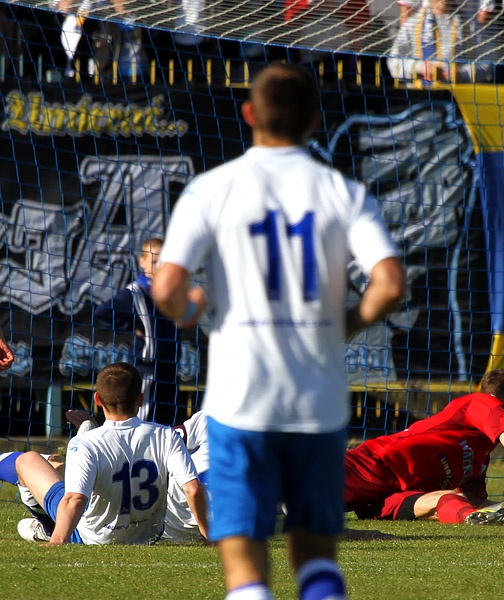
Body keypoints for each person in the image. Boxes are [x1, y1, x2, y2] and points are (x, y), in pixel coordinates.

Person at [152, 63, 406, 600]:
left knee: (245, 566)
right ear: (315, 119)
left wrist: (192, 306)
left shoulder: (211, 189)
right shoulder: (343, 192)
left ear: (248, 114)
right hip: (317, 401)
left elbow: (166, 288)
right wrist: (350, 322)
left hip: (239, 401)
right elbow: (389, 283)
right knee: (315, 557)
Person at [2, 362, 209, 545]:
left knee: (27, 461)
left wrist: (58, 541)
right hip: (148, 534)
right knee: (58, 467)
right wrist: (210, 536)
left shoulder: (85, 443)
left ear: (97, 399)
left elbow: (75, 499)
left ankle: (49, 528)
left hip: (92, 536)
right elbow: (192, 488)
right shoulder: (166, 435)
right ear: (140, 399)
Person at [345, 369, 504, 525]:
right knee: (311, 503)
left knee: (449, 500)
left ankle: (469, 520)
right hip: (371, 467)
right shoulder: (483, 402)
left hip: (385, 498)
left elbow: (479, 503)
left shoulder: (479, 456)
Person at [95, 238, 187, 426]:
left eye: (163, 260)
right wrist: (132, 328)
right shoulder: (135, 292)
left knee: (169, 425)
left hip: (169, 368)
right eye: (154, 261)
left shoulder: (169, 292)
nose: (159, 266)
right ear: (142, 262)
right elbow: (102, 312)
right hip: (147, 368)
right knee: (145, 422)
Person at [387, 0, 491, 85]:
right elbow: (393, 63)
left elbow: (489, 62)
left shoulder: (471, 25)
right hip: (419, 95)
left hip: (459, 97)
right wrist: (419, 67)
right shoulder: (412, 24)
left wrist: (462, 73)